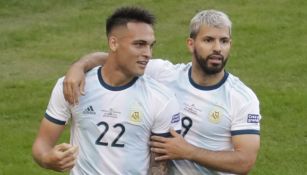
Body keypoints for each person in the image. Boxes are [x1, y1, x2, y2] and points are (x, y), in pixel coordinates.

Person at [63, 9, 261, 175]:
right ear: (191, 44)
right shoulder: (164, 74)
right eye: (208, 40)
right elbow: (114, 58)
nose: (217, 48)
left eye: (224, 41)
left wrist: (188, 151)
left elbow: (245, 161)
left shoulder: (241, 98)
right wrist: (79, 66)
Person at [32, 6, 181, 175]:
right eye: (139, 44)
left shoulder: (161, 99)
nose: (147, 53)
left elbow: (160, 167)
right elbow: (41, 145)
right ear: (114, 43)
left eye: (150, 46)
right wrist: (46, 158)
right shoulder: (72, 85)